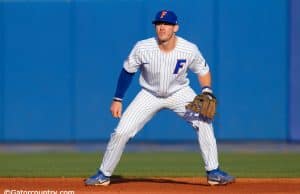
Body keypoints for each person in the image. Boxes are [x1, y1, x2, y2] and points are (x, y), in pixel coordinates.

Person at [85, 9, 235, 186]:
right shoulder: (143, 47)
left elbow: (203, 71)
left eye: (167, 24)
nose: (162, 27)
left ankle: (213, 172)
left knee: (204, 121)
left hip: (180, 93)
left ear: (176, 27)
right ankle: (104, 174)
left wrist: (207, 90)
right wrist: (118, 99)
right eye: (159, 24)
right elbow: (127, 71)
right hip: (149, 94)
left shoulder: (189, 49)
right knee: (121, 132)